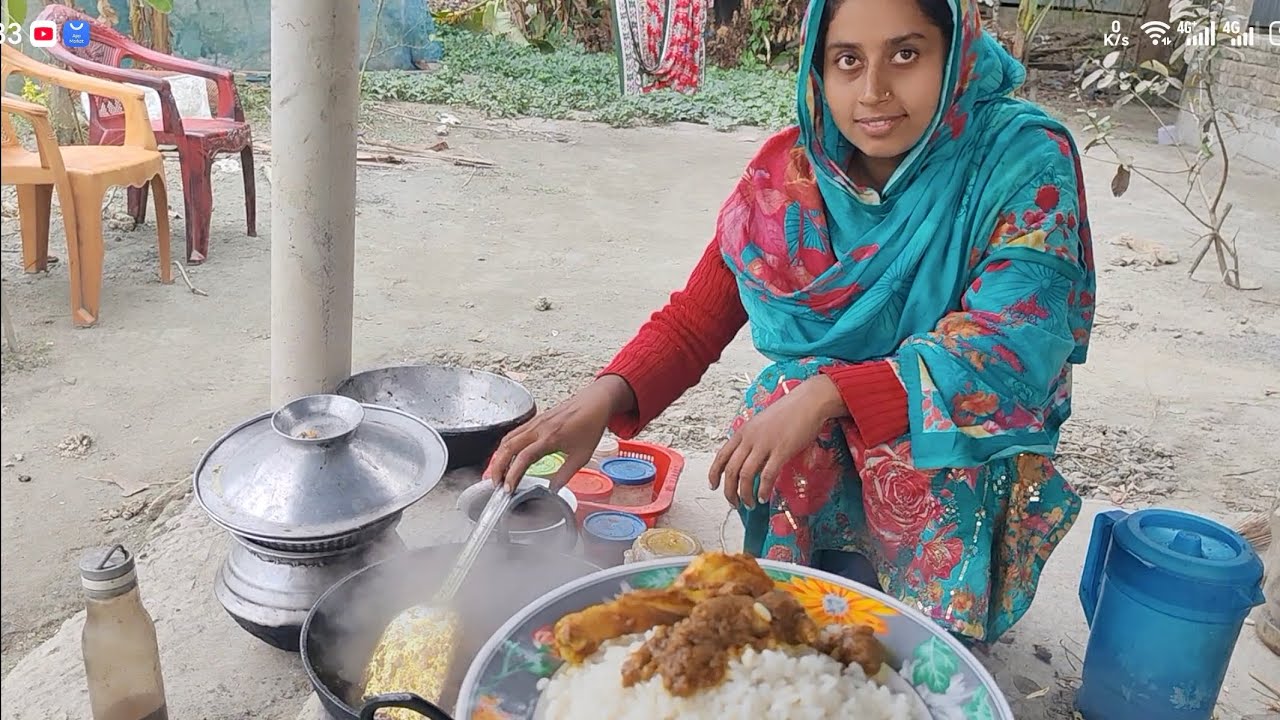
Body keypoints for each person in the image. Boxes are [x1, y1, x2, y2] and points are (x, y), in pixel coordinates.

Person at [487, 0, 1096, 645]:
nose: (873, 91)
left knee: (880, 421)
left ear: (956, 54)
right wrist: (601, 398)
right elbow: (698, 319)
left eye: (906, 54)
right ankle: (818, 588)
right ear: (818, 68)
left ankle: (932, 635)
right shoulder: (795, 175)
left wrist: (826, 394)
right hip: (838, 443)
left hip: (968, 443)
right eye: (847, 61)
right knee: (781, 399)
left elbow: (1011, 344)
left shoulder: (1021, 161)